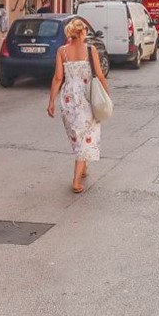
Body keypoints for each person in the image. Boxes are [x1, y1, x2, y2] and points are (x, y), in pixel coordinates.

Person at [47, 17, 110, 193]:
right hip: (86, 98)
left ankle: (84, 166)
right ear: (82, 32)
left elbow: (58, 78)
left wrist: (51, 100)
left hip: (68, 100)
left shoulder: (62, 51)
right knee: (86, 137)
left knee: (78, 135)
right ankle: (75, 182)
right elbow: (100, 74)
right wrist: (106, 94)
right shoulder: (91, 50)